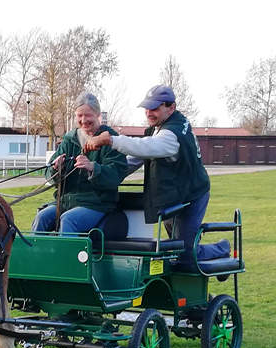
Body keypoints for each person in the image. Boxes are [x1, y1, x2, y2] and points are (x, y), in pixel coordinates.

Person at [83, 84, 229, 266]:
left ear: (171, 107)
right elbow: (134, 159)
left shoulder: (170, 135)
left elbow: (143, 147)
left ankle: (222, 248)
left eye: (154, 108)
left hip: (192, 195)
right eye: (146, 108)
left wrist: (110, 140)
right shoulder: (163, 126)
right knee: (176, 249)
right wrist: (107, 174)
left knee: (185, 253)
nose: (148, 113)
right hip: (174, 195)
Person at [32, 92, 128, 235]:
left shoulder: (110, 139)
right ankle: (36, 256)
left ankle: (66, 257)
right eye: (79, 116)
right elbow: (48, 173)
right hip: (66, 202)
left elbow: (117, 174)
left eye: (88, 115)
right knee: (42, 217)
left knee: (68, 220)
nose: (83, 120)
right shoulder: (69, 139)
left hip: (97, 204)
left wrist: (93, 167)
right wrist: (55, 168)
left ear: (97, 114)